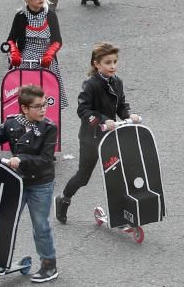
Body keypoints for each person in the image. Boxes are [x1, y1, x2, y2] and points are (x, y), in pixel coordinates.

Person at [0, 84, 59, 283]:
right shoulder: (11, 124)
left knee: (41, 225)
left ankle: (49, 265)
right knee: (6, 220)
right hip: (18, 181)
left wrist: (21, 159)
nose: (43, 109)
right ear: (24, 108)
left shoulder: (49, 128)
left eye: (45, 104)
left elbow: (46, 160)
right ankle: (0, 260)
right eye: (38, 106)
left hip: (41, 183)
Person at [55, 42, 141, 223]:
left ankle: (120, 212)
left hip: (111, 136)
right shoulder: (91, 85)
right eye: (108, 62)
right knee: (83, 177)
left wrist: (128, 114)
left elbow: (121, 105)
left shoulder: (117, 82)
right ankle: (64, 199)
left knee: (117, 173)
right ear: (96, 64)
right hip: (91, 139)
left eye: (115, 62)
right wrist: (102, 120)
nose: (113, 66)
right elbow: (83, 110)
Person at [7, 0, 67, 111]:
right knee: (25, 96)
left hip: (46, 60)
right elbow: (11, 39)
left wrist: (49, 55)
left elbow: (57, 40)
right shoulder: (20, 16)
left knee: (49, 96)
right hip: (25, 59)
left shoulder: (50, 15)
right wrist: (14, 53)